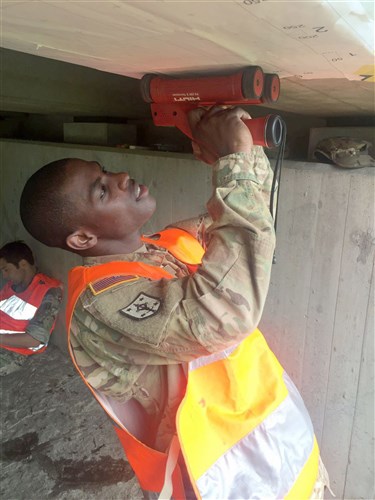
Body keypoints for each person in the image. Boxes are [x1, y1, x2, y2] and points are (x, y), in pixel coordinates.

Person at [19, 107, 327, 499]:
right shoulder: (101, 303)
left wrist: (238, 153)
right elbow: (225, 316)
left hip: (284, 449)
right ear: (82, 240)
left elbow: (249, 216)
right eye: (102, 189)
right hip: (224, 480)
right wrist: (232, 161)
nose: (121, 178)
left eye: (106, 171)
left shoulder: (164, 245)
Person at [0, 240, 63, 356]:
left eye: (6, 269)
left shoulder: (49, 290)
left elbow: (34, 340)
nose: (4, 276)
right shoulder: (11, 286)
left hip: (12, 353)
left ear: (23, 264)